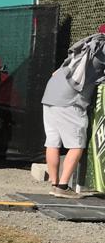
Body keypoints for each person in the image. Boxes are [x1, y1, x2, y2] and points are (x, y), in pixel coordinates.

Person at [42, 25, 105, 197]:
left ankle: (54, 184)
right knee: (77, 145)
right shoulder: (102, 48)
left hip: (50, 94)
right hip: (69, 98)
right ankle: (63, 188)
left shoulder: (85, 45)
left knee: (52, 142)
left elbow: (56, 73)